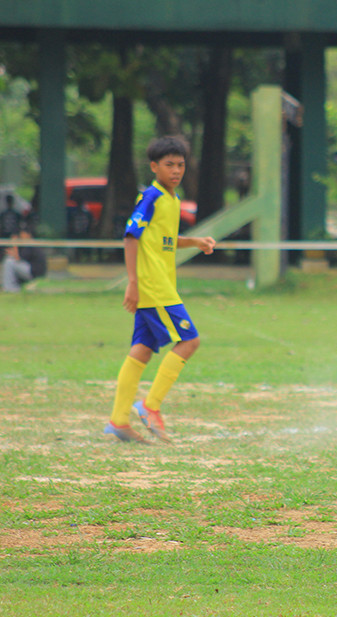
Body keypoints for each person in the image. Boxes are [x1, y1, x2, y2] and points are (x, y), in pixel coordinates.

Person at [104, 136, 216, 444]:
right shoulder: (151, 197)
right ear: (154, 167)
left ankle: (119, 420)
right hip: (154, 288)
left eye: (180, 165)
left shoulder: (172, 198)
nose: (176, 170)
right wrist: (133, 283)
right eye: (169, 165)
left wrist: (196, 241)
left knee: (140, 351)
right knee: (189, 341)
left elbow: (165, 239)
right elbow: (131, 236)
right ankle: (149, 406)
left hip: (161, 285)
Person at [3, 222, 45, 292]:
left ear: (28, 235)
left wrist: (14, 244)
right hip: (32, 271)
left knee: (9, 261)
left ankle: (9, 288)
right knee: (9, 260)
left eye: (23, 233)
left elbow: (18, 258)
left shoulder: (30, 244)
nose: (21, 235)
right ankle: (12, 286)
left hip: (34, 273)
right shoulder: (26, 244)